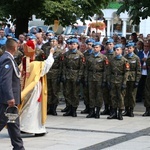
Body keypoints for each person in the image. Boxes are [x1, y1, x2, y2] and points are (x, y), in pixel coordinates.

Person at [19, 40, 54, 136]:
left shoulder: (22, 63)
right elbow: (47, 65)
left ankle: (23, 126)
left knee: (26, 107)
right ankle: (36, 129)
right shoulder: (35, 64)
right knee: (34, 109)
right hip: (34, 89)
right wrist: (51, 53)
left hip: (25, 89)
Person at [0, 39, 25, 150]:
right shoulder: (7, 60)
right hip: (8, 100)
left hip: (9, 99)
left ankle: (19, 147)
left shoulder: (8, 58)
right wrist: (10, 97)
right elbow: (6, 80)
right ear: (15, 48)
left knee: (13, 123)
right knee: (2, 121)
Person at [62, 38, 85, 117]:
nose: (72, 45)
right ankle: (69, 108)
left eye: (74, 44)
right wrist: (64, 75)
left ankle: (74, 109)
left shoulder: (80, 55)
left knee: (75, 93)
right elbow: (64, 66)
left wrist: (79, 77)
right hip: (68, 74)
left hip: (76, 75)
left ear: (77, 45)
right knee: (67, 92)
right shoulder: (66, 54)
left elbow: (81, 67)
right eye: (71, 44)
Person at [107, 44, 130, 120]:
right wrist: (109, 81)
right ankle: (114, 112)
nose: (116, 51)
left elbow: (126, 72)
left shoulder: (124, 60)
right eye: (115, 50)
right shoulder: (112, 60)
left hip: (120, 80)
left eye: (118, 50)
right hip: (113, 79)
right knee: (113, 96)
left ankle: (120, 112)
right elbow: (109, 71)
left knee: (120, 97)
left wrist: (124, 82)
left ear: (121, 50)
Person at [85, 42, 107, 119]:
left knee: (99, 95)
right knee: (91, 95)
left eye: (97, 47)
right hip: (91, 77)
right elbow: (86, 69)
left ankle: (97, 111)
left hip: (99, 77)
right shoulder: (89, 57)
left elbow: (105, 70)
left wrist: (104, 80)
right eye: (94, 47)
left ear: (100, 48)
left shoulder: (103, 57)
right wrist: (86, 79)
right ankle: (92, 111)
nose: (95, 48)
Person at [123, 42, 141, 117]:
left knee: (132, 95)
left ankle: (131, 110)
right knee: (126, 94)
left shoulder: (136, 58)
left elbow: (138, 70)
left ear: (133, 48)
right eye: (128, 48)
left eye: (131, 48)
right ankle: (126, 109)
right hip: (126, 78)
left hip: (133, 78)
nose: (129, 49)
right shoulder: (125, 57)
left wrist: (137, 80)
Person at [80, 38, 95, 114]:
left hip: (93, 76)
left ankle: (92, 108)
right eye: (88, 44)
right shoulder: (84, 54)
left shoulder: (94, 54)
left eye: (90, 45)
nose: (89, 46)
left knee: (92, 92)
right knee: (86, 92)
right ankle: (87, 107)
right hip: (85, 75)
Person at [101, 38, 115, 116]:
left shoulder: (115, 54)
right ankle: (106, 108)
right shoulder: (104, 55)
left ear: (113, 45)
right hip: (105, 76)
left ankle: (112, 109)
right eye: (107, 44)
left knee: (112, 94)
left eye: (110, 44)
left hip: (113, 77)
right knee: (105, 93)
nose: (109, 46)